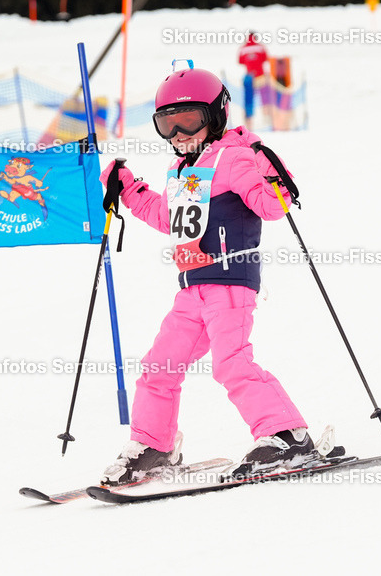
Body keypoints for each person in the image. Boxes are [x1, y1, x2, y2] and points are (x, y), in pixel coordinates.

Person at [99, 67, 313, 485]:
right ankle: (154, 445)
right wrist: (129, 189)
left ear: (216, 115)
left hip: (231, 282)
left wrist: (267, 168)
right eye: (167, 123)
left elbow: (271, 206)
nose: (178, 132)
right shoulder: (183, 169)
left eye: (189, 119)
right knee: (159, 366)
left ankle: (287, 436)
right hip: (193, 289)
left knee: (231, 363)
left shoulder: (235, 157)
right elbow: (168, 218)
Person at [237, 32, 269, 126]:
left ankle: (249, 123)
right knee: (265, 99)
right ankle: (267, 120)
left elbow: (240, 61)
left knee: (248, 100)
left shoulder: (243, 48)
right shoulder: (260, 47)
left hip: (249, 76)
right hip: (261, 76)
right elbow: (265, 59)